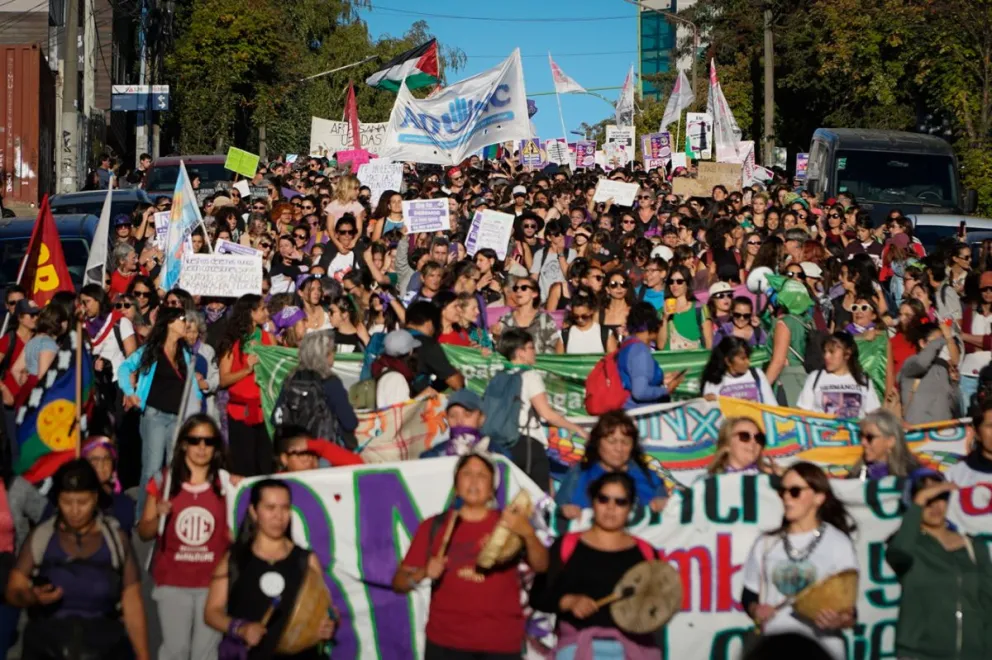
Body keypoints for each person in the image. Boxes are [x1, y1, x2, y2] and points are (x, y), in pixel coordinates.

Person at [392, 453, 548, 659]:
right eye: (467, 474)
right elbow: (399, 583)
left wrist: (527, 532)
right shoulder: (434, 526)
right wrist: (422, 573)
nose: (474, 481)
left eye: (482, 475)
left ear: (492, 489)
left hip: (501, 644)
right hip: (446, 644)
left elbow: (542, 566)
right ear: (456, 486)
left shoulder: (511, 524)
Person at [6, 459, 150, 660]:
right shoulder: (43, 536)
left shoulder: (115, 540)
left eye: (82, 502)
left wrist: (143, 656)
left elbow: (132, 602)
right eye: (67, 502)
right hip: (48, 647)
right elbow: (14, 588)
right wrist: (31, 596)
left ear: (95, 497)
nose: (75, 510)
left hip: (104, 648)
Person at [530, 472, 662, 659]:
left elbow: (661, 605)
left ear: (630, 506)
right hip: (577, 649)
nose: (610, 507)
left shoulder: (646, 553)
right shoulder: (567, 546)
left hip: (633, 652)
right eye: (603, 499)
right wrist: (568, 601)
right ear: (592, 501)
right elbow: (538, 596)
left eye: (620, 501)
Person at [205, 479, 336, 659]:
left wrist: (328, 624)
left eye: (284, 508)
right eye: (270, 508)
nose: (278, 516)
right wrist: (240, 629)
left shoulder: (306, 560)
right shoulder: (235, 559)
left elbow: (327, 609)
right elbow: (212, 612)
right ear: (254, 511)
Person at [137, 415, 232, 660]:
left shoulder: (227, 484)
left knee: (206, 653)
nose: (201, 447)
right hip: (172, 583)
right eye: (194, 440)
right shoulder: (163, 481)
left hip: (213, 585)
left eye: (208, 442)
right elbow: (144, 532)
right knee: (175, 651)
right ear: (183, 444)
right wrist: (159, 517)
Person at [741, 462, 858, 660]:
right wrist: (756, 610)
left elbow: (850, 612)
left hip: (822, 649)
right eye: (782, 491)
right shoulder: (766, 543)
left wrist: (838, 620)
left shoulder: (838, 542)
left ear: (818, 498)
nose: (786, 497)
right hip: (775, 649)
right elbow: (748, 595)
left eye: (795, 491)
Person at [885, 469, 992, 660]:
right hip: (920, 655)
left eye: (940, 496)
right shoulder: (910, 546)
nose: (934, 505)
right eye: (927, 500)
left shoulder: (974, 547)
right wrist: (920, 500)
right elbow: (897, 554)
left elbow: (988, 604)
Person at [118, 307, 200, 513]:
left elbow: (192, 385)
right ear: (169, 323)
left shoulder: (184, 353)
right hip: (154, 416)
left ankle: (170, 514)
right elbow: (125, 368)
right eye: (182, 320)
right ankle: (142, 516)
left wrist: (198, 410)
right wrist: (129, 391)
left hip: (178, 418)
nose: (186, 324)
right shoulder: (151, 350)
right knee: (153, 469)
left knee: (175, 469)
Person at [496, 329, 587, 489]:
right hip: (528, 444)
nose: (534, 351)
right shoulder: (530, 376)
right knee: (541, 498)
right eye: (531, 347)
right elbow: (547, 414)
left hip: (504, 445)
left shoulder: (498, 376)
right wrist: (576, 429)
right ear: (520, 353)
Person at [555, 410, 667, 520]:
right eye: (612, 441)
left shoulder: (649, 477)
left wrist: (664, 505)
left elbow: (669, 514)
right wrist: (564, 511)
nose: (619, 449)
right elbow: (556, 510)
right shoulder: (579, 474)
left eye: (625, 442)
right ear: (597, 443)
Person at [218, 294, 275, 476]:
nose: (267, 312)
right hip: (240, 412)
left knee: (266, 466)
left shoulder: (269, 339)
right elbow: (223, 379)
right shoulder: (231, 341)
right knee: (244, 467)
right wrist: (246, 370)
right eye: (262, 309)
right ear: (251, 313)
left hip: (265, 411)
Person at [275, 329, 358, 447]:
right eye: (331, 350)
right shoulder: (330, 382)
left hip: (294, 449)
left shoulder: (291, 379)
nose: (333, 354)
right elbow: (349, 422)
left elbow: (276, 417)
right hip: (324, 449)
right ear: (324, 355)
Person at [617, 302, 685, 410]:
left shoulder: (627, 344)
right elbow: (639, 392)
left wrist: (662, 379)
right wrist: (666, 390)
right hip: (640, 414)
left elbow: (634, 377)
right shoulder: (640, 351)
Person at [796, 332, 880, 418]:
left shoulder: (863, 380)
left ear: (847, 354)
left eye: (831, 352)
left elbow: (874, 417)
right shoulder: (814, 378)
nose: (826, 356)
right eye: (825, 351)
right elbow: (803, 413)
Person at [898, 320, 960, 424]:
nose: (942, 345)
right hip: (918, 430)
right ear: (922, 343)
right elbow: (923, 363)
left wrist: (954, 383)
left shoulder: (942, 367)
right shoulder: (911, 363)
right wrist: (947, 339)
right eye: (938, 340)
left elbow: (952, 403)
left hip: (941, 430)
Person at [405, 301, 465, 395]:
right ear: (430, 322)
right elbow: (456, 384)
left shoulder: (390, 338)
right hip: (413, 404)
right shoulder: (427, 344)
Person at [493, 276, 561, 354]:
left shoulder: (545, 319)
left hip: (539, 364)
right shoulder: (506, 319)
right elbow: (501, 349)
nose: (518, 291)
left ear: (534, 293)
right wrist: (496, 337)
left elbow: (553, 347)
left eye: (524, 288)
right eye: (515, 288)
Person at [81, 436, 136, 531]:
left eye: (106, 458)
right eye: (94, 459)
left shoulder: (124, 503)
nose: (101, 465)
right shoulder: (73, 500)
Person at [702, 337, 777, 404]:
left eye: (748, 358)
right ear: (728, 361)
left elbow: (772, 406)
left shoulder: (756, 374)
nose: (748, 362)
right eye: (743, 358)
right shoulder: (714, 380)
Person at [706, 416, 779, 476]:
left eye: (758, 438)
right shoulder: (708, 483)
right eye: (744, 436)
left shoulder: (772, 480)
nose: (753, 442)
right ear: (727, 444)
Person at [274, 425, 364, 472]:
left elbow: (359, 465)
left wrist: (322, 446)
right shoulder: (275, 487)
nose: (309, 458)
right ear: (284, 459)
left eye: (313, 452)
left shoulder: (323, 476)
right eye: (302, 453)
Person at [371, 329, 421, 408]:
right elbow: (396, 413)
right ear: (410, 352)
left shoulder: (384, 368)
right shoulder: (396, 378)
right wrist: (422, 398)